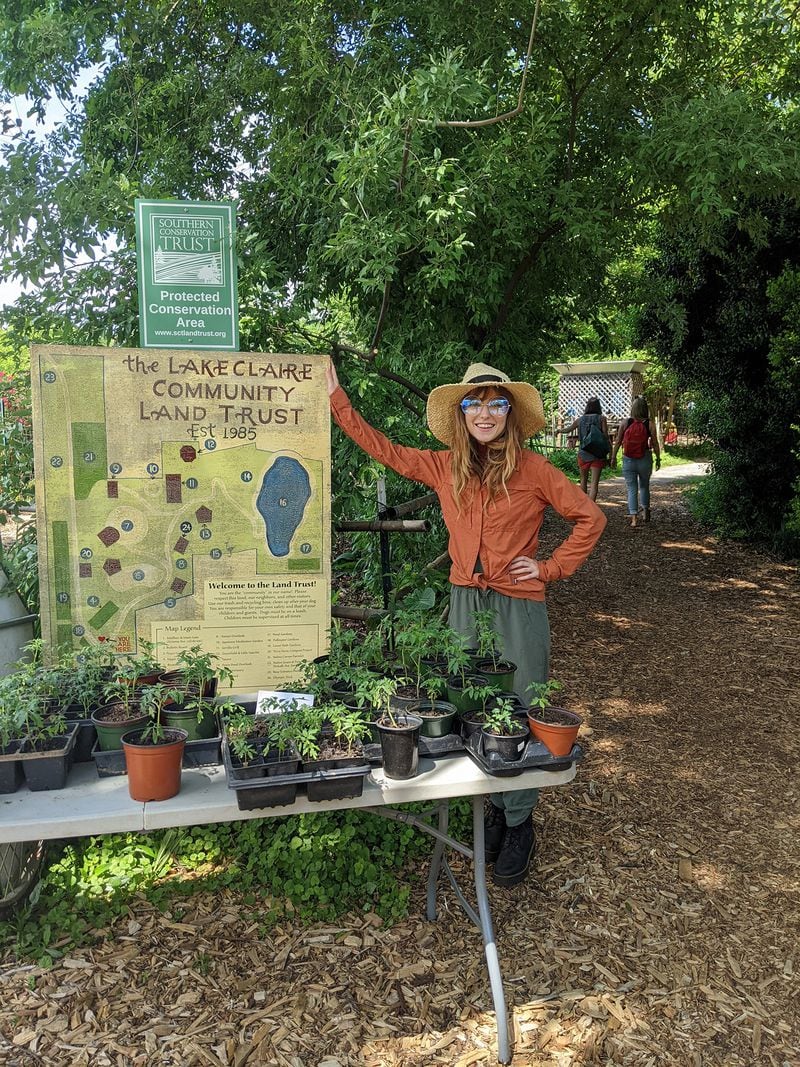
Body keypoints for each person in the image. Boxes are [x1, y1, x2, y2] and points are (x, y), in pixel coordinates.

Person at [327, 359, 606, 887]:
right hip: (463, 603)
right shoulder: (443, 466)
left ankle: (519, 819)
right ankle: (489, 807)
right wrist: (338, 399)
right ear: (461, 413)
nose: (484, 412)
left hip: (518, 606)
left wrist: (549, 567)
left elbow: (591, 518)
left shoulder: (533, 470)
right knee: (468, 702)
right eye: (473, 403)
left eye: (495, 402)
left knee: (519, 704)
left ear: (509, 412)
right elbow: (385, 450)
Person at [610, 395, 661, 527]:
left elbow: (618, 442)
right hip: (644, 458)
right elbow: (655, 442)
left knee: (632, 489)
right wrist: (658, 458)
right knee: (644, 486)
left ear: (632, 408)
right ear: (645, 409)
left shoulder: (625, 422)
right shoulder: (649, 424)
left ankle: (633, 518)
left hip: (628, 459)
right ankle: (645, 511)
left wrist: (613, 457)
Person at [564, 398, 611, 502]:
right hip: (598, 455)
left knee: (583, 481)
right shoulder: (602, 419)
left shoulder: (580, 420)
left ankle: (584, 506)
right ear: (599, 407)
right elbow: (606, 436)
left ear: (587, 407)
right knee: (594, 484)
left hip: (583, 454)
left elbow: (568, 429)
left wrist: (559, 430)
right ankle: (591, 508)